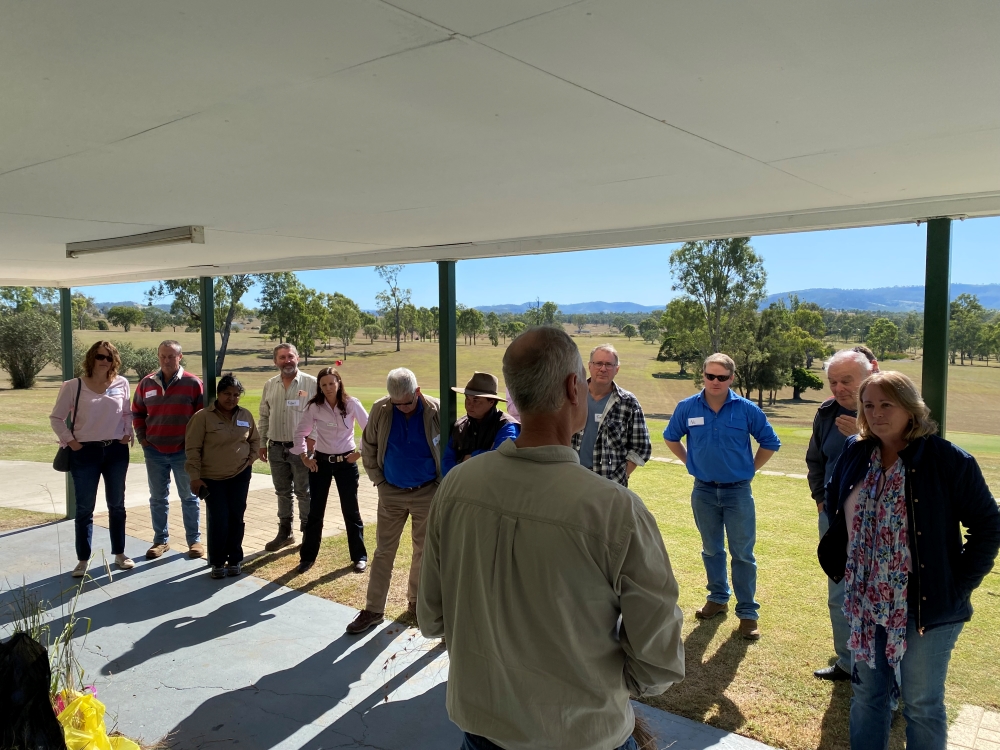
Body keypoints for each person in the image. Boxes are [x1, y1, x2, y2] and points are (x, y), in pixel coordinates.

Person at [419, 327, 685, 750]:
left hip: (481, 728)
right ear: (571, 387)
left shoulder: (456, 488)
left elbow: (432, 619)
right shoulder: (615, 510)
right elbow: (657, 663)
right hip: (584, 735)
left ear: (512, 395)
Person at [823, 371, 999, 750]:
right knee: (868, 698)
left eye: (887, 404)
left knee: (921, 704)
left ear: (911, 408)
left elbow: (989, 526)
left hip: (925, 607)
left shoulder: (947, 460)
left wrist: (957, 583)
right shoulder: (856, 451)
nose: (877, 413)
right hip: (865, 603)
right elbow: (836, 503)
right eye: (868, 405)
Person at [663, 352, 780, 640]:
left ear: (732, 378)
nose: (715, 381)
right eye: (709, 375)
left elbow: (770, 442)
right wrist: (689, 462)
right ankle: (717, 598)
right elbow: (670, 436)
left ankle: (748, 614)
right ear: (702, 375)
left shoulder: (747, 409)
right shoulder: (687, 407)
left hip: (738, 491)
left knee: (743, 554)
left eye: (722, 377)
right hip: (703, 490)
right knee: (711, 549)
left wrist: (750, 469)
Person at [347, 368, 441, 635]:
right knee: (383, 552)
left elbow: (448, 448)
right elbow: (369, 446)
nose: (402, 408)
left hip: (427, 491)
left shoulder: (436, 410)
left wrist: (438, 484)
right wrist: (380, 482)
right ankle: (374, 609)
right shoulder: (381, 408)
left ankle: (416, 604)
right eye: (396, 403)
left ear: (418, 392)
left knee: (424, 551)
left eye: (407, 403)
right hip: (391, 493)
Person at [806, 349, 873, 681]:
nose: (838, 388)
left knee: (878, 593)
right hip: (834, 520)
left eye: (846, 380)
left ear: (868, 375)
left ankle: (881, 668)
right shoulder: (826, 413)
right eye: (833, 381)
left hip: (881, 524)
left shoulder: (889, 410)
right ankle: (847, 662)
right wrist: (821, 501)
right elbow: (815, 462)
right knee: (839, 592)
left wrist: (862, 436)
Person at [49, 340, 135, 577]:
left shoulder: (122, 383)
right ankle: (83, 560)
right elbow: (56, 418)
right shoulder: (73, 385)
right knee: (85, 508)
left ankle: (119, 553)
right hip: (84, 452)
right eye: (100, 356)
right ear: (91, 358)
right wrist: (71, 441)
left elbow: (127, 412)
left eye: (109, 357)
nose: (105, 362)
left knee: (117, 505)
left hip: (116, 451)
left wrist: (127, 432)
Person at [131, 340, 205, 561]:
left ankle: (194, 541)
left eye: (171, 356)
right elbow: (137, 413)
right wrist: (143, 439)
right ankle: (160, 541)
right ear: (158, 357)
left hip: (183, 451)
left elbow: (202, 418)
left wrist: (195, 447)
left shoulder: (193, 383)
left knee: (189, 497)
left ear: (179, 357)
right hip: (154, 451)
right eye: (162, 356)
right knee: (157, 498)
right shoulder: (146, 383)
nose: (166, 360)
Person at [292, 367, 369, 575]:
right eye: (323, 384)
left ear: (339, 382)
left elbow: (370, 429)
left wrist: (359, 453)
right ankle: (307, 557)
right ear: (319, 386)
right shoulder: (315, 407)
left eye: (331, 383)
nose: (328, 388)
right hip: (321, 463)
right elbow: (300, 433)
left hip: (346, 462)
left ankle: (359, 557)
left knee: (351, 511)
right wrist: (305, 457)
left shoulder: (352, 404)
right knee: (315, 512)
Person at [185, 373, 260, 579]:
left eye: (236, 394)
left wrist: (250, 460)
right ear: (218, 394)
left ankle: (235, 559)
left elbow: (255, 440)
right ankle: (218, 562)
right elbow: (192, 449)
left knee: (237, 517)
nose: (232, 398)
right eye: (227, 393)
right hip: (212, 478)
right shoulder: (202, 417)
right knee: (220, 519)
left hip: (240, 476)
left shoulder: (245, 415)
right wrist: (194, 476)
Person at [258, 343, 317, 551]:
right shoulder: (269, 384)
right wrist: (261, 443)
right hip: (275, 447)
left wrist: (313, 440)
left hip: (301, 449)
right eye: (281, 357)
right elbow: (264, 416)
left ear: (298, 358)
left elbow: (320, 415)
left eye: (290, 356)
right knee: (282, 492)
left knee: (303, 492)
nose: (286, 361)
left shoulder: (311, 383)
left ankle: (308, 534)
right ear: (275, 361)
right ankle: (285, 533)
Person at [571, 344, 652, 487]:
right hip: (572, 479)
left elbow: (641, 448)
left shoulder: (628, 402)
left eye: (609, 364)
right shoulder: (573, 396)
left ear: (617, 369)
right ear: (589, 366)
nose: (603, 369)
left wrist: (621, 476)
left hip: (608, 486)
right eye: (598, 363)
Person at [441, 372, 520, 476]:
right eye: (467, 399)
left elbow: (501, 459)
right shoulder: (460, 426)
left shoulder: (507, 426)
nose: (469, 405)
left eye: (476, 400)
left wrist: (469, 458)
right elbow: (447, 461)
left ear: (491, 402)